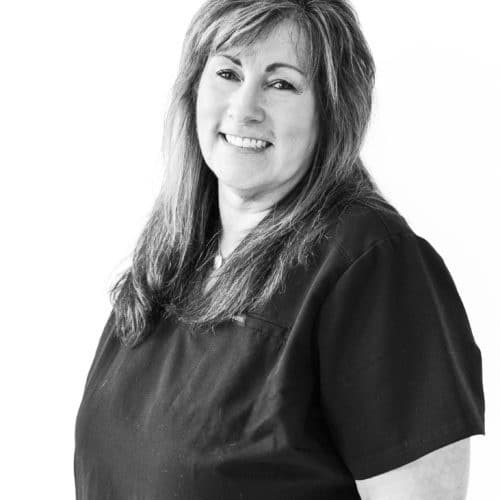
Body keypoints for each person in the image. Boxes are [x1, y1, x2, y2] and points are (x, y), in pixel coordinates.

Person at [73, 0, 485, 498]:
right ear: (193, 90)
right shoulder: (170, 257)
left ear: (332, 112)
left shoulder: (370, 265)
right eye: (228, 71)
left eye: (280, 83)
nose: (244, 108)